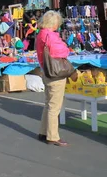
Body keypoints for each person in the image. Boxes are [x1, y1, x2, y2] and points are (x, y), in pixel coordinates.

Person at [36, 10, 71, 147]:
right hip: (55, 73)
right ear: (54, 22)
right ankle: (52, 136)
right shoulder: (50, 35)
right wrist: (66, 48)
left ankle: (44, 132)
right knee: (54, 106)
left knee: (48, 103)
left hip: (46, 70)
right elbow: (61, 52)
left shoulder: (41, 34)